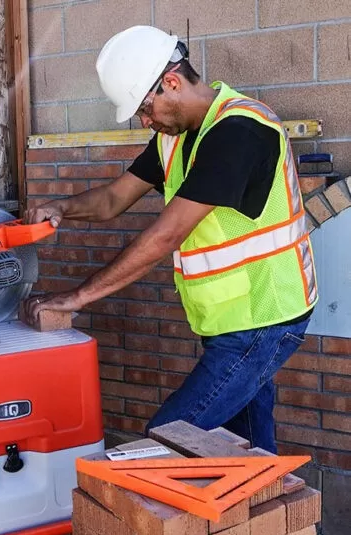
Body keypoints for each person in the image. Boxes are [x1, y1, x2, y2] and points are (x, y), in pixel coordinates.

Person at [22, 25, 317, 453]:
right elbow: (114, 199)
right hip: (230, 319)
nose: (145, 121)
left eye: (145, 108)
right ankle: (265, 495)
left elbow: (166, 235)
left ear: (172, 83)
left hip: (265, 317)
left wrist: (77, 297)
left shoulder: (240, 132)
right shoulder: (173, 140)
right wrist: (63, 207)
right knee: (247, 449)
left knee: (165, 440)